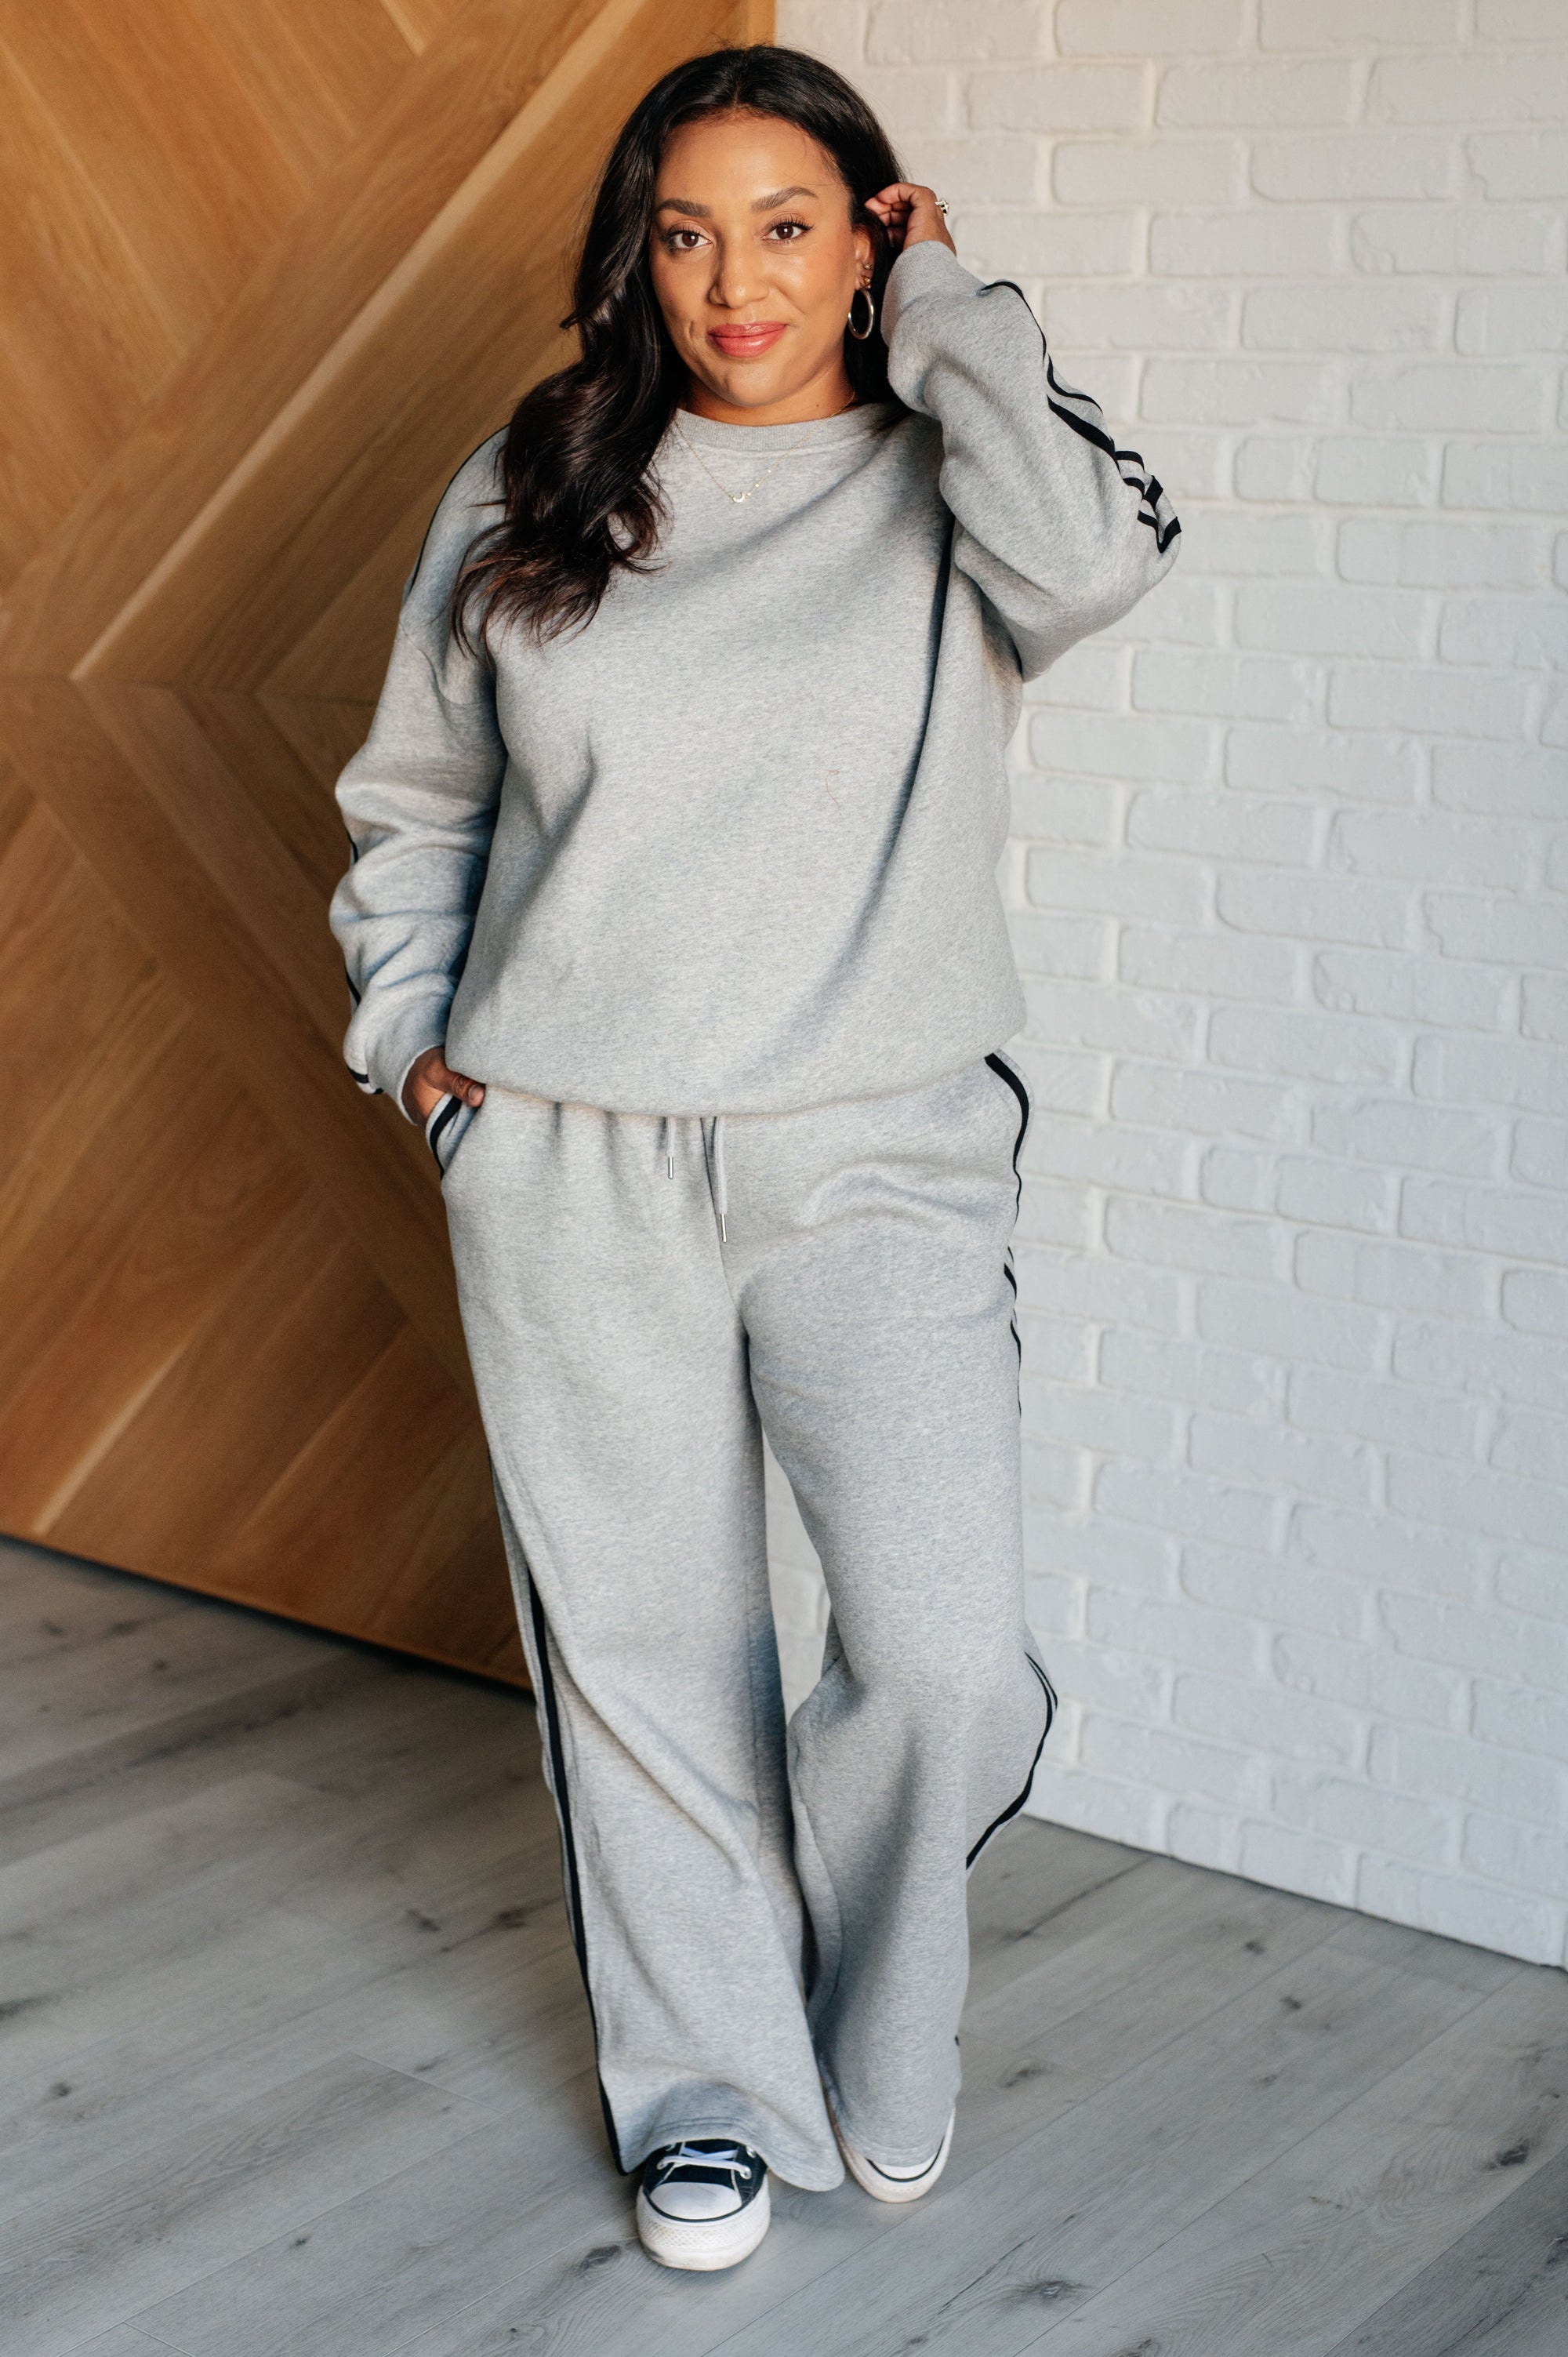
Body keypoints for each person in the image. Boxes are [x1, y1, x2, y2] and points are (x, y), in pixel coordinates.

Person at [329, 42, 1178, 2273]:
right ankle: (707, 2091)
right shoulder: (535, 477)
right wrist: (422, 1051)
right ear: (639, 252)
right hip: (570, 1155)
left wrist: (957, 305)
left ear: (869, 235)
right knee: (644, 1653)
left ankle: (881, 2024)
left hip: (876, 1148)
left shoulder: (964, 475)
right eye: (687, 232)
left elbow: (1096, 562)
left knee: (948, 1656)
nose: (734, 282)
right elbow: (419, 800)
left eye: (790, 226)